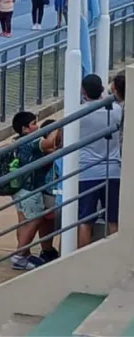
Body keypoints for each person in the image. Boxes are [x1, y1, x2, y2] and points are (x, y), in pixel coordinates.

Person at [9, 110, 61, 270]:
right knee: (35, 220)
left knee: (24, 221)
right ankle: (19, 256)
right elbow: (49, 144)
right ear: (25, 129)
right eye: (34, 124)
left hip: (20, 188)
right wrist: (58, 128)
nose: (37, 126)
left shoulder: (19, 141)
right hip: (29, 189)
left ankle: (24, 255)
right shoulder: (31, 141)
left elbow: (50, 151)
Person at [77, 74, 122, 249]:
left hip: (87, 171)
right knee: (113, 220)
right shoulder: (117, 110)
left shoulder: (80, 113)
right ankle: (116, 257)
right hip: (112, 169)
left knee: (85, 221)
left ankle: (81, 259)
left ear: (83, 90)